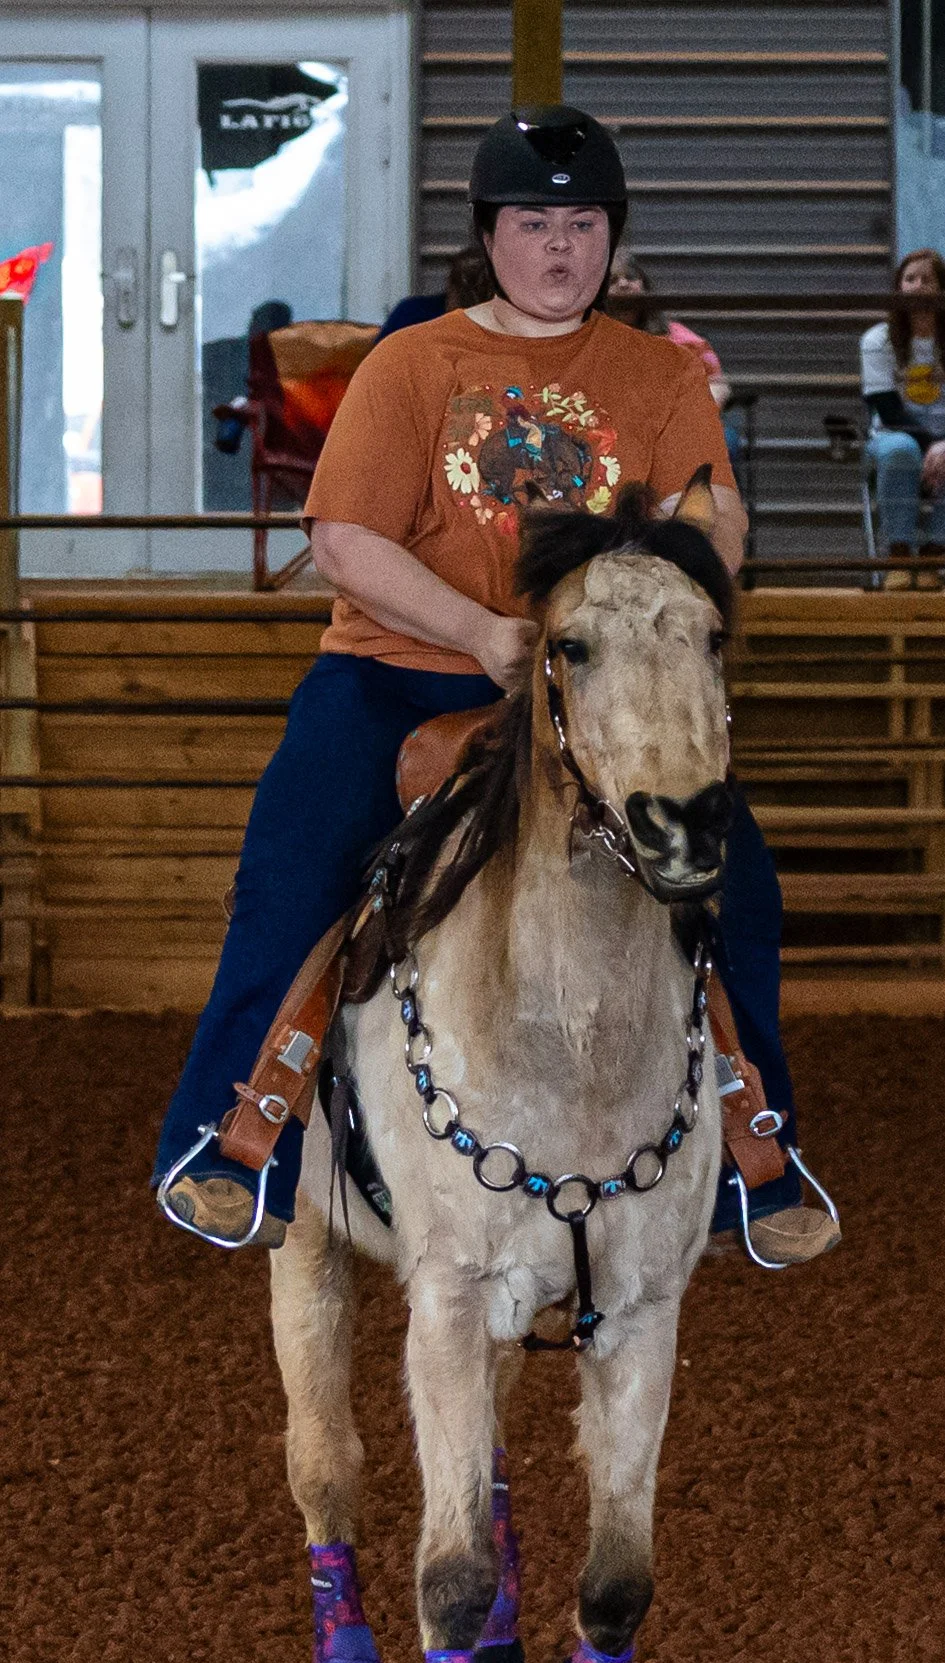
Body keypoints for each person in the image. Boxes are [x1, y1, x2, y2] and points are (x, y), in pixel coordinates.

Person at [154, 105, 837, 1266]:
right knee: (294, 872)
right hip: (401, 675)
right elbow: (345, 536)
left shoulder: (660, 376)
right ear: (488, 235)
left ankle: (749, 1153)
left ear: (612, 238)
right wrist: (481, 631)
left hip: (598, 699)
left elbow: (712, 522)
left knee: (740, 888)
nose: (561, 248)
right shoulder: (415, 362)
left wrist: (667, 602)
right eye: (534, 222)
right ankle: (233, 1140)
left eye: (583, 223)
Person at [607, 245, 743, 473]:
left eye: (631, 277)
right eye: (612, 281)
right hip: (614, 431)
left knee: (724, 442)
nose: (623, 284)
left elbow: (718, 385)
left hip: (680, 428)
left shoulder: (679, 337)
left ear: (645, 287)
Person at [861, 248, 945, 590]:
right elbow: (888, 410)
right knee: (901, 450)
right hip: (892, 436)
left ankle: (933, 551)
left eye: (928, 279)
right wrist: (934, 446)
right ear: (898, 287)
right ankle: (898, 554)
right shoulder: (877, 340)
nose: (918, 286)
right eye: (910, 279)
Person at [372, 246, 493, 343]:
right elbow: (376, 362)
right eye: (460, 283)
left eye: (480, 286)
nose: (469, 293)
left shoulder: (502, 324)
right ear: (450, 286)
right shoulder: (411, 313)